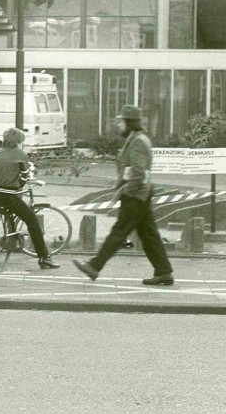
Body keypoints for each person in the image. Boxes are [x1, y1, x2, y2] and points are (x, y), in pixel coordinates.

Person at [74, 105, 174, 285]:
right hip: (140, 192)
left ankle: (94, 267)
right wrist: (119, 184)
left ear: (130, 123)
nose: (119, 124)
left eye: (122, 121)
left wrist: (126, 190)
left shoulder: (137, 141)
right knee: (149, 234)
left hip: (136, 193)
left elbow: (137, 171)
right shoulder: (135, 138)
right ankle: (164, 271)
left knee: (119, 232)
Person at [0, 127, 60, 270]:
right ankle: (44, 258)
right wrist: (18, 184)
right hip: (8, 196)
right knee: (32, 220)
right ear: (18, 142)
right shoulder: (20, 155)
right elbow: (24, 177)